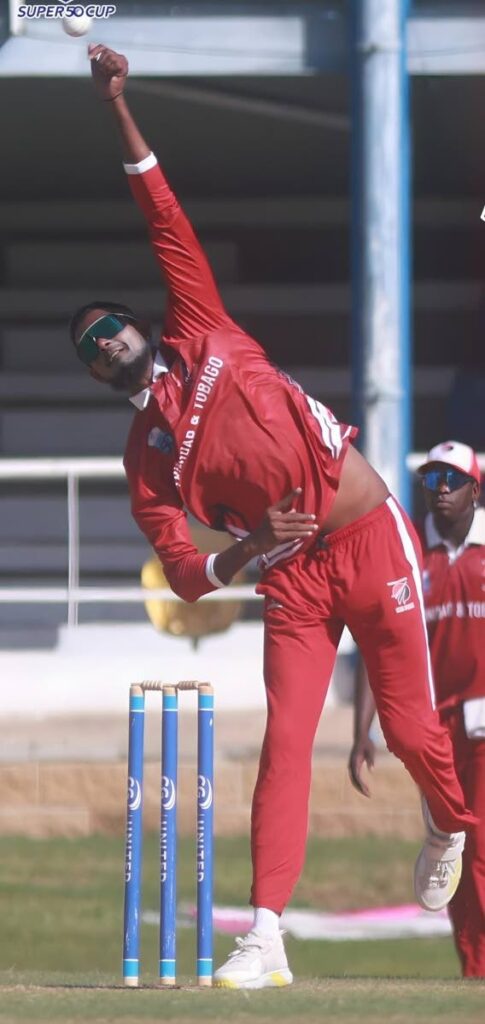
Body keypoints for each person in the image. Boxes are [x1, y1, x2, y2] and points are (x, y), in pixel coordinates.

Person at [71, 46, 477, 988]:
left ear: (139, 325)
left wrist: (117, 104)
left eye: (111, 326)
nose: (107, 343)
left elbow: (160, 208)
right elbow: (183, 572)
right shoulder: (144, 458)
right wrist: (247, 552)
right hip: (291, 575)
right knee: (285, 741)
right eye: (91, 348)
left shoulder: (201, 324)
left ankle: (448, 821)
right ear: (94, 373)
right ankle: (265, 937)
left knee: (412, 732)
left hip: (372, 539)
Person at [350, 440, 484, 978]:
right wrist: (362, 732)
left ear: (476, 490)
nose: (441, 489)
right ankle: (473, 971)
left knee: (479, 849)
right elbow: (378, 642)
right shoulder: (407, 551)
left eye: (453, 479)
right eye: (431, 479)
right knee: (453, 850)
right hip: (433, 731)